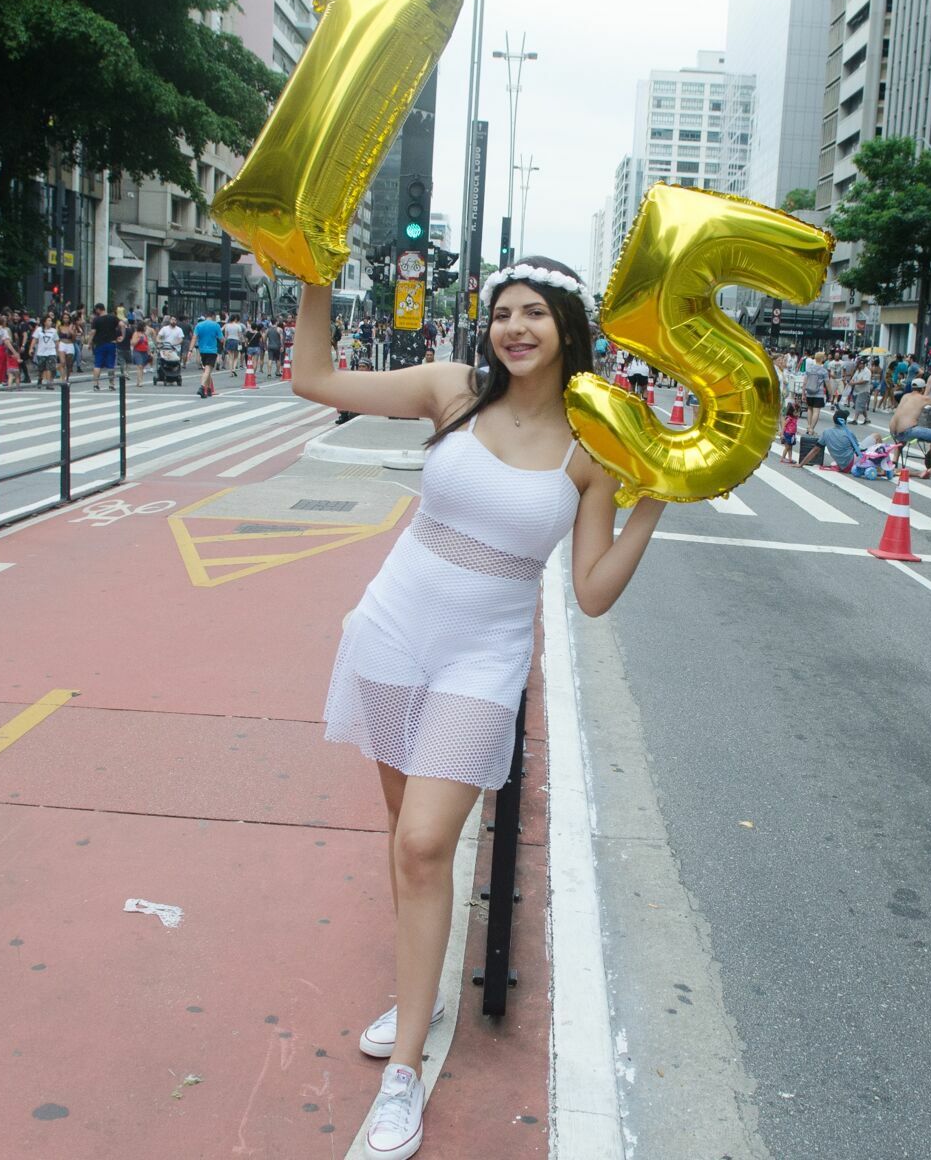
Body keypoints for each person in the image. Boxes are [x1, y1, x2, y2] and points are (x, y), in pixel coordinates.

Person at [290, 256, 664, 1160]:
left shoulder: (594, 449)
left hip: (481, 663)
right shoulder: (451, 391)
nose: (516, 327)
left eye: (535, 313)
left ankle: (404, 1072)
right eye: (503, 313)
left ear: (568, 330)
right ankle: (421, 990)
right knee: (404, 840)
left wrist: (652, 507)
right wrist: (312, 274)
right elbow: (311, 377)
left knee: (424, 843)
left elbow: (591, 592)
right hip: (390, 633)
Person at [888, 380, 931, 476]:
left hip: (894, 431)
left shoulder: (905, 396)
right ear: (923, 388)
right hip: (908, 431)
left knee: (901, 440)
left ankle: (894, 462)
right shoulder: (924, 398)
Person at [806, 404, 862, 469]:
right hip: (852, 464)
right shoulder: (849, 433)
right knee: (876, 436)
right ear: (845, 421)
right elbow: (858, 449)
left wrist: (801, 464)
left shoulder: (826, 432)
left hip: (842, 466)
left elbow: (815, 450)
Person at [191, 311, 224, 398]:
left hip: (202, 351)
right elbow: (221, 339)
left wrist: (190, 350)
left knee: (207, 369)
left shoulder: (199, 325)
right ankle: (202, 388)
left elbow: (194, 337)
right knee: (208, 369)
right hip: (212, 350)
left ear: (205, 316)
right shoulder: (216, 325)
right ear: (213, 316)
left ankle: (209, 389)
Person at [90, 304, 122, 391]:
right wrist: (122, 336)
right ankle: (111, 384)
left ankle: (96, 384)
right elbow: (122, 324)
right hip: (111, 343)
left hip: (99, 344)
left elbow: (93, 332)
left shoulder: (96, 320)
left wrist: (89, 342)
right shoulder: (113, 317)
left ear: (98, 309)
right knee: (111, 365)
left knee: (97, 364)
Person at [800, 352, 829, 432]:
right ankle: (812, 429)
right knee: (816, 411)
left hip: (809, 393)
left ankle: (808, 426)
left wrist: (803, 393)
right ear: (822, 359)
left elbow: (805, 382)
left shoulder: (809, 369)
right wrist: (831, 393)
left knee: (809, 409)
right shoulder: (824, 371)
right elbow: (827, 383)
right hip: (818, 394)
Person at [31, 315, 60, 386]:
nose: (50, 322)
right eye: (49, 320)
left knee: (50, 368)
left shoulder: (54, 331)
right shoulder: (39, 330)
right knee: (41, 368)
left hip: (51, 352)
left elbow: (56, 341)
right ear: (44, 322)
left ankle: (49, 383)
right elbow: (34, 339)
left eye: (51, 321)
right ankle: (40, 378)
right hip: (41, 352)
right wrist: (31, 348)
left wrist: (57, 351)